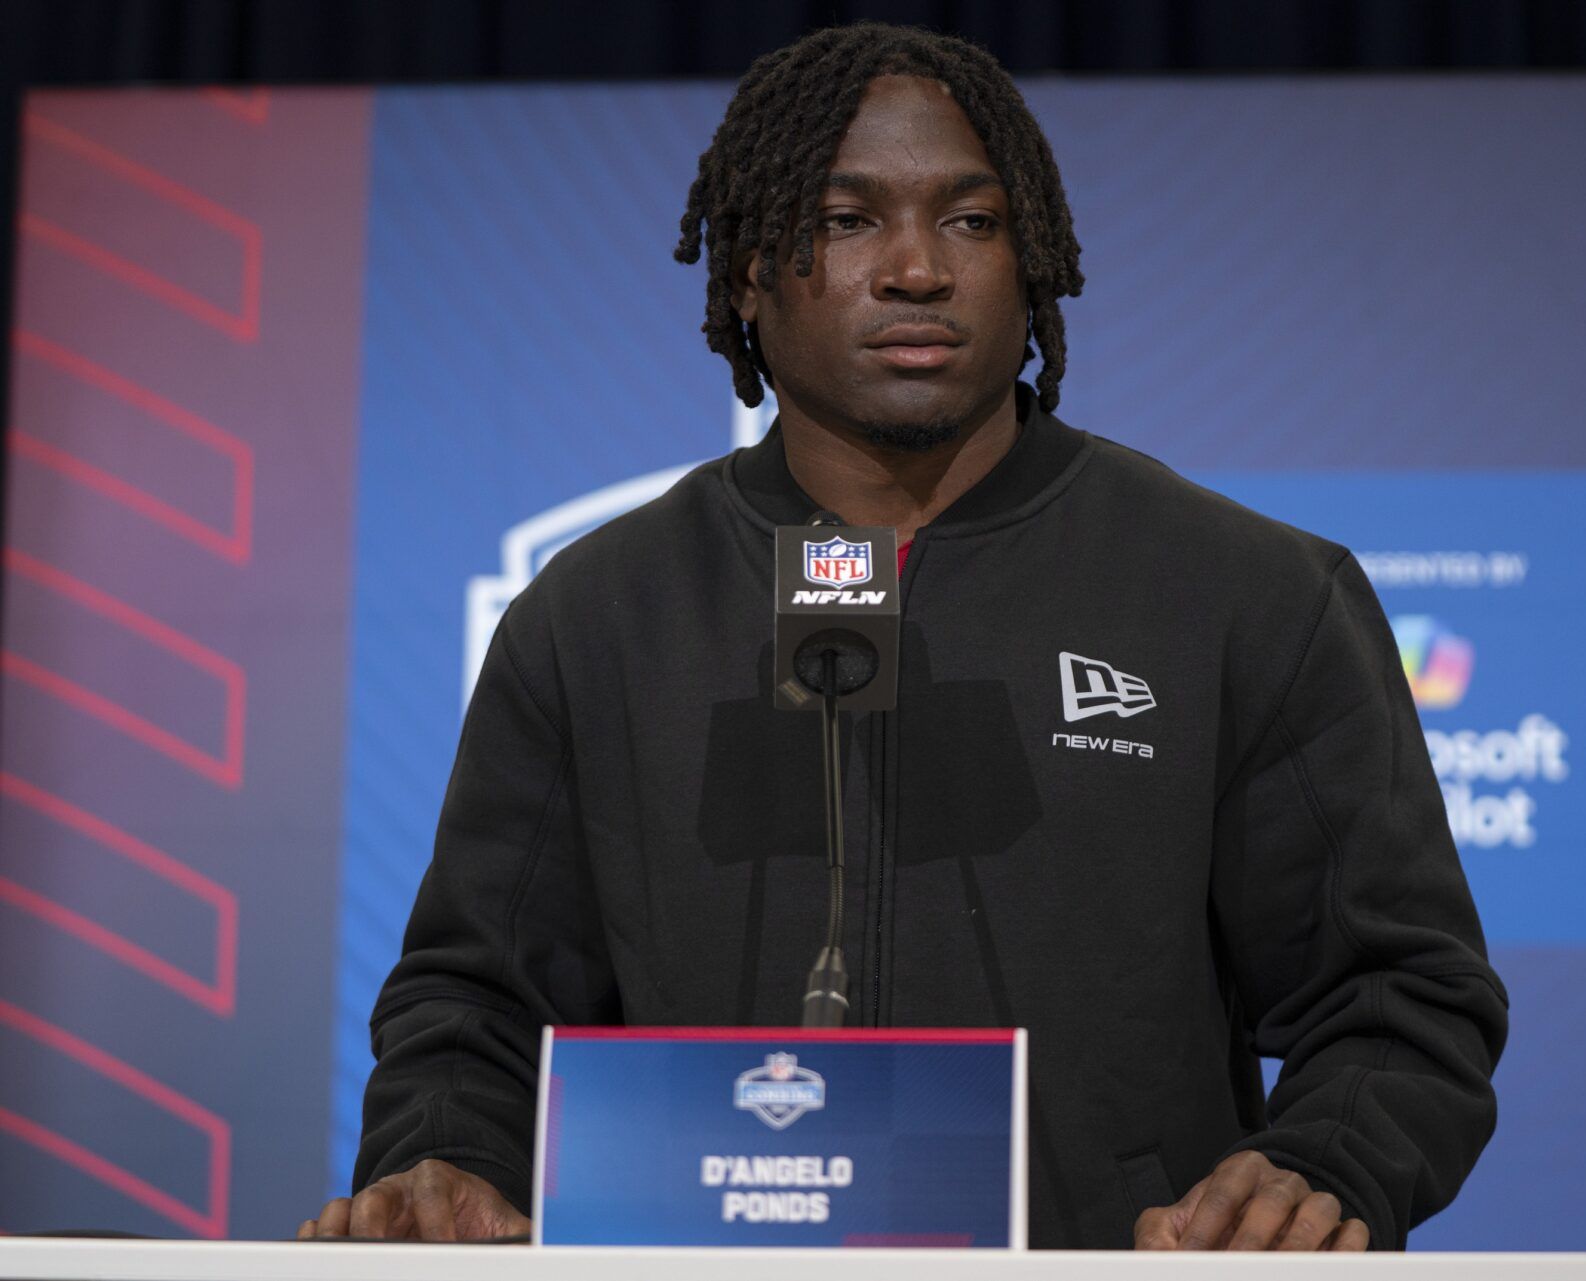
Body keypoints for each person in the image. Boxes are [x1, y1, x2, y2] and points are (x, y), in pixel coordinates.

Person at [298, 22, 1507, 1251]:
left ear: (1032, 260)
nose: (918, 269)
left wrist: (1323, 1165)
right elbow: (476, 1008)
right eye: (847, 220)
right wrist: (442, 1159)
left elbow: (1399, 995)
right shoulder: (597, 615)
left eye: (973, 222)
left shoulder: (1247, 593)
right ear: (749, 272)